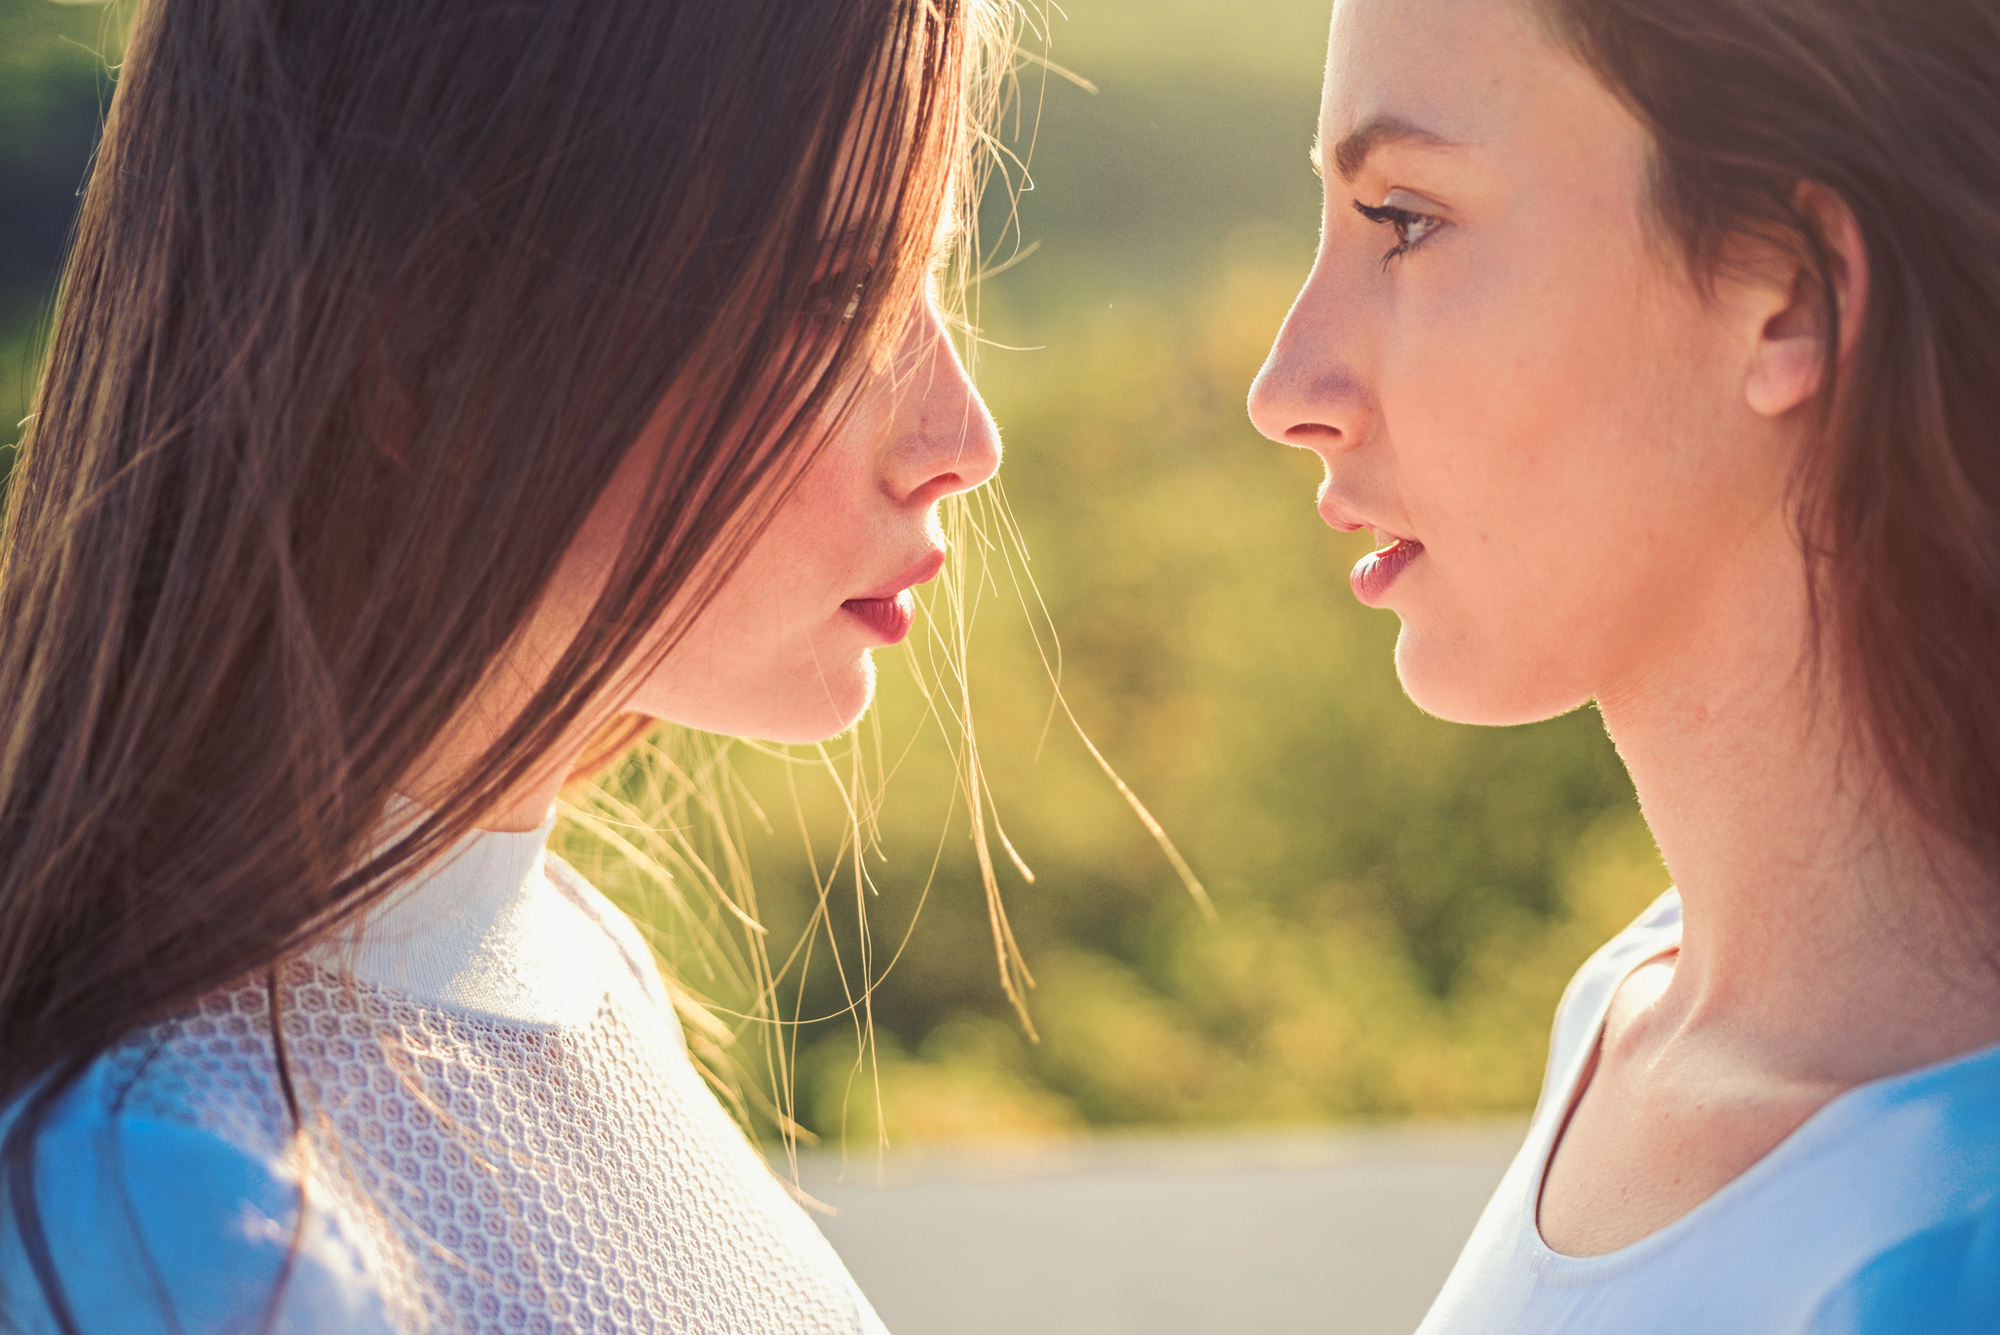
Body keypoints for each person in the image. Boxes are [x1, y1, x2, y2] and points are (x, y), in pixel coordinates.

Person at [0, 0, 1010, 1328]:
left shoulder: (571, 961)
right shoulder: (170, 1205)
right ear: (422, 353)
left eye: (927, 278)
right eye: (835, 296)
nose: (963, 435)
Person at [1249, 0, 2000, 1329]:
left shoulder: (1944, 1253)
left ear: (1786, 292)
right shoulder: (1629, 1010)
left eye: (1406, 221)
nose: (1286, 383)